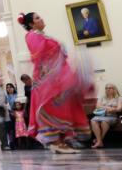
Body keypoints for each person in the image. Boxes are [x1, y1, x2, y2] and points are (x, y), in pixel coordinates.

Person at [18, 12, 91, 153]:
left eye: (40, 16)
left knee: (61, 107)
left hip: (55, 78)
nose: (42, 18)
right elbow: (39, 55)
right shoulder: (32, 35)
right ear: (31, 24)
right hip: (48, 78)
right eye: (37, 18)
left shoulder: (43, 36)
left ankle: (61, 142)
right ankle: (56, 143)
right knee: (51, 108)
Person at [89, 83, 122, 149]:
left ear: (114, 89)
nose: (108, 89)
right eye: (106, 88)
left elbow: (119, 109)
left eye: (110, 88)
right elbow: (97, 106)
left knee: (104, 122)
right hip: (101, 115)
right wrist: (110, 107)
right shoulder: (102, 97)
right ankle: (100, 142)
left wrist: (109, 108)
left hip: (112, 116)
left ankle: (99, 141)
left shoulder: (119, 98)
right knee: (93, 120)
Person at [4, 82, 18, 149]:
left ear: (13, 88)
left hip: (18, 113)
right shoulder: (6, 96)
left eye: (10, 87)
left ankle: (18, 142)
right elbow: (5, 105)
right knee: (11, 129)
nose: (9, 89)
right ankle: (12, 143)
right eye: (7, 88)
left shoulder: (17, 95)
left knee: (17, 128)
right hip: (10, 114)